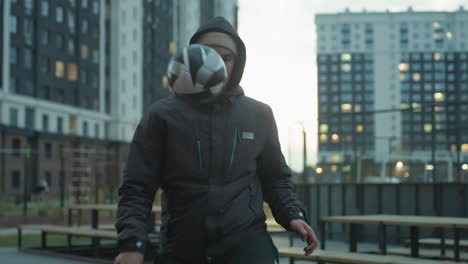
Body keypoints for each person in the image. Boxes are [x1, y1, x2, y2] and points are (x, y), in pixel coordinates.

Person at [113, 17, 318, 264]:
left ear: (237, 64)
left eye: (226, 57)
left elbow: (276, 179)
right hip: (182, 247)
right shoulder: (162, 115)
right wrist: (131, 244)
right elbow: (137, 187)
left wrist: (292, 214)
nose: (216, 64)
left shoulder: (259, 115)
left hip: (246, 246)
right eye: (206, 55)